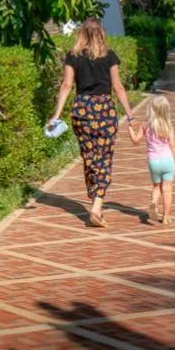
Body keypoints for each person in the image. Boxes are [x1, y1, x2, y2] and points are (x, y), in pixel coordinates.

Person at [47, 18, 136, 227]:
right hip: (104, 109)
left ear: (82, 33)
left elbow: (66, 85)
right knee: (104, 157)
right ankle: (97, 203)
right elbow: (118, 87)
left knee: (89, 157)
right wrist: (130, 116)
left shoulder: (73, 56)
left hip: (82, 110)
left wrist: (56, 115)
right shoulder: (109, 56)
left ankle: (94, 195)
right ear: (102, 33)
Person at [127, 94, 175, 224]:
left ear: (151, 109)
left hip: (154, 162)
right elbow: (173, 146)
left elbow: (136, 141)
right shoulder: (168, 126)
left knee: (156, 187)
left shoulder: (146, 125)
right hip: (168, 161)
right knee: (167, 189)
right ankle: (166, 216)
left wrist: (130, 129)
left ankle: (154, 202)